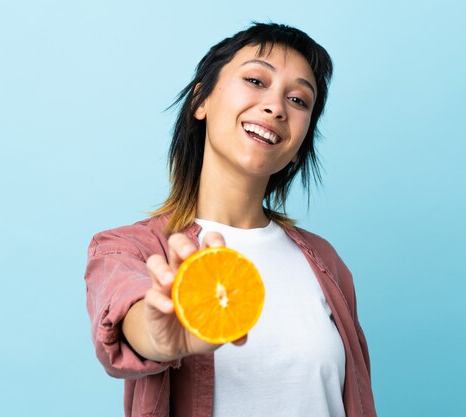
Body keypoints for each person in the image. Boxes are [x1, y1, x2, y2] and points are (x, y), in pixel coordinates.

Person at [85, 22, 377, 417]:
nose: (276, 107)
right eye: (256, 80)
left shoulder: (326, 263)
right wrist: (158, 336)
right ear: (201, 100)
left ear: (298, 147)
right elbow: (128, 317)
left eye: (298, 100)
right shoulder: (127, 250)